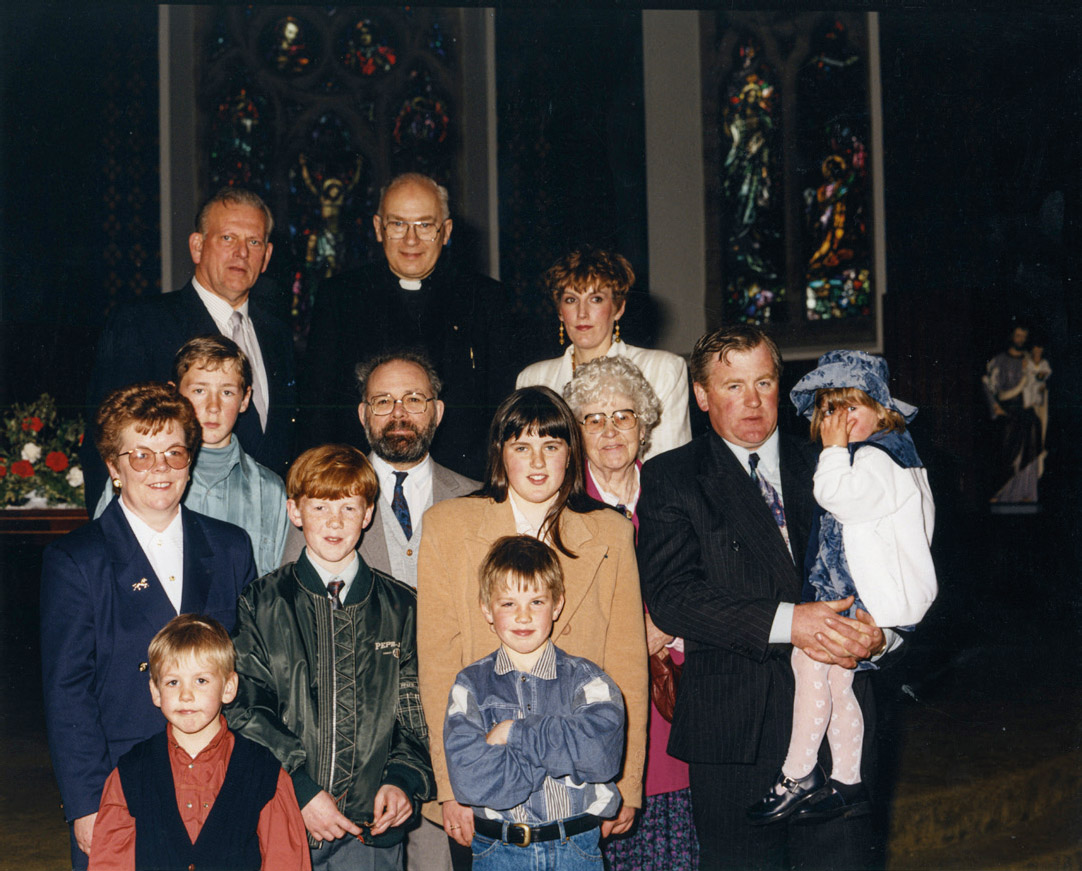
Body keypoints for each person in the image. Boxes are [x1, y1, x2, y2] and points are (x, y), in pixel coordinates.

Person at [636, 325, 886, 871]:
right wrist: (790, 623)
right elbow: (674, 597)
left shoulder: (837, 465)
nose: (752, 402)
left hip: (835, 735)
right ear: (701, 396)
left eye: (764, 382)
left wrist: (881, 636)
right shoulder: (672, 476)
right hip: (734, 734)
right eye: (732, 386)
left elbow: (895, 570)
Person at [417, 386, 648, 869]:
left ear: (572, 453)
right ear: (501, 455)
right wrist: (447, 788)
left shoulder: (610, 532)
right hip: (489, 783)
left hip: (578, 785)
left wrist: (626, 784)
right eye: (521, 446)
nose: (537, 461)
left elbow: (627, 661)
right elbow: (438, 666)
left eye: (552, 445)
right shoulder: (449, 525)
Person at [41, 382, 257, 869]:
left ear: (190, 461)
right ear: (114, 468)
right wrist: (87, 803)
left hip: (219, 784)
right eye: (140, 455)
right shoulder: (76, 560)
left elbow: (252, 672)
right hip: (122, 787)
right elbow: (66, 691)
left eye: (174, 453)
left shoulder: (230, 547)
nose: (160, 468)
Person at [747, 350, 936, 825]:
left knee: (808, 661)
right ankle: (847, 779)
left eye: (853, 406)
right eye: (830, 409)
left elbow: (837, 496)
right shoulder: (888, 452)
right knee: (835, 679)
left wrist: (832, 451)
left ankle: (798, 774)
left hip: (860, 595)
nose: (841, 419)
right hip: (862, 589)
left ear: (881, 410)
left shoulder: (877, 456)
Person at [227, 444, 434, 871]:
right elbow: (247, 710)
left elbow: (418, 713)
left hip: (370, 832)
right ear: (295, 511)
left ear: (369, 513)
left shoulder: (403, 607)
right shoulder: (261, 603)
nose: (335, 522)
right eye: (320, 506)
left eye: (349, 507)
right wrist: (299, 789)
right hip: (283, 817)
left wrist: (402, 781)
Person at [563, 356, 699, 869]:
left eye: (623, 415)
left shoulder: (677, 490)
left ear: (643, 426)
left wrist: (667, 626)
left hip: (677, 689)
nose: (609, 430)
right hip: (602, 695)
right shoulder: (565, 505)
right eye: (593, 419)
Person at [83, 187, 296, 508]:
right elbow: (107, 439)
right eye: (227, 238)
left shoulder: (277, 335)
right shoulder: (142, 323)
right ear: (197, 247)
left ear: (266, 257)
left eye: (253, 242)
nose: (241, 252)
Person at [303, 172, 522, 478]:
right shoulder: (340, 298)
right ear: (379, 228)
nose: (411, 239)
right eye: (398, 224)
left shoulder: (485, 299)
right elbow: (319, 410)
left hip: (462, 482)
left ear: (445, 231)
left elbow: (502, 408)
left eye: (424, 225)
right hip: (361, 481)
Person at [443, 535, 626, 870]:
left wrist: (514, 733)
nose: (523, 617)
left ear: (557, 605)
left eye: (537, 602)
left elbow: (601, 757)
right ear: (487, 609)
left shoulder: (587, 679)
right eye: (508, 604)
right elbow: (473, 783)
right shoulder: (470, 686)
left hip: (576, 850)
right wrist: (561, 749)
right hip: (498, 852)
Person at [88, 614, 311, 870]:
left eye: (201, 680)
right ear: (156, 692)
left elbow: (285, 862)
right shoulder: (130, 774)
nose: (186, 695)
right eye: (173, 682)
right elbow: (110, 862)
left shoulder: (264, 774)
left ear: (228, 687)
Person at [282, 351, 478, 593]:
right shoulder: (319, 495)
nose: (398, 413)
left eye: (414, 399)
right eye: (383, 401)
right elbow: (292, 596)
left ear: (437, 412)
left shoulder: (477, 499)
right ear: (363, 415)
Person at [95, 336, 290, 576]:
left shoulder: (269, 490)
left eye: (227, 392)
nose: (213, 406)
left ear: (245, 399)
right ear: (173, 393)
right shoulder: (140, 477)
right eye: (199, 390)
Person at [515, 248, 691, 461]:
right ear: (560, 312)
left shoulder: (662, 370)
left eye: (596, 299)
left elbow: (669, 469)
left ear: (618, 308)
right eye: (571, 300)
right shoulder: (532, 379)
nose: (582, 313)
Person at [981, 325, 1047, 502]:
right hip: (1007, 410)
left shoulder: (1029, 360)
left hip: (1025, 409)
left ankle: (1026, 493)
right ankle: (1003, 493)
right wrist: (995, 406)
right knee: (1008, 452)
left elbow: (1038, 384)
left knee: (1033, 437)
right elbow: (987, 384)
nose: (1021, 339)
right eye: (1018, 335)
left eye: (1024, 336)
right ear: (1012, 336)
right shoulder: (1000, 360)